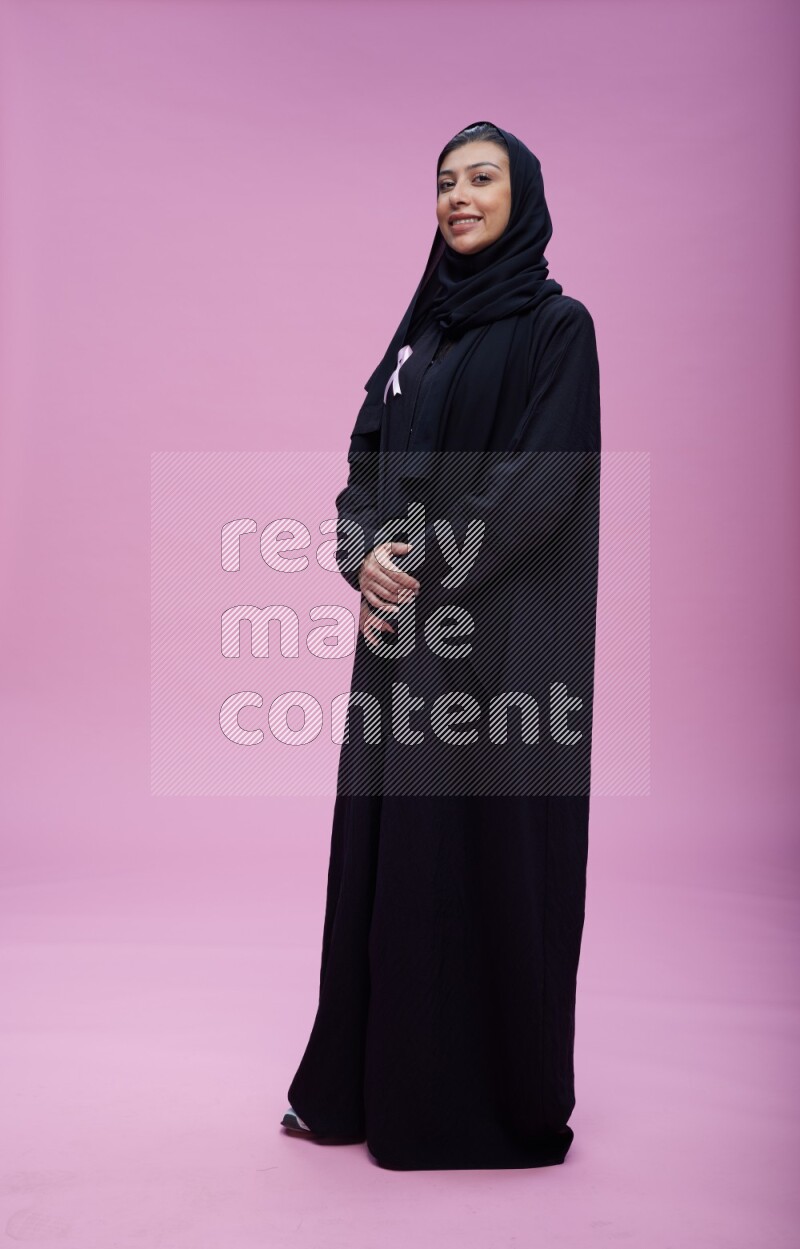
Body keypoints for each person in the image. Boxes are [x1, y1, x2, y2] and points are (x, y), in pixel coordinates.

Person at [281, 120, 601, 1170]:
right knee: (390, 858)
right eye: (443, 182)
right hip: (398, 636)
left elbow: (540, 483)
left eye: (479, 179)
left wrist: (419, 563)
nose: (457, 197)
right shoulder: (420, 336)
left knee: (476, 856)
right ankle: (366, 1086)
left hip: (497, 645)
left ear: (522, 196)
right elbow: (363, 463)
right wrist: (360, 551)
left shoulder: (557, 328)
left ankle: (476, 1107)